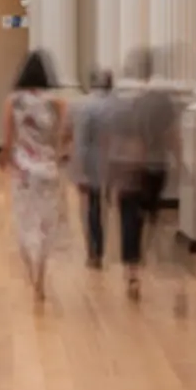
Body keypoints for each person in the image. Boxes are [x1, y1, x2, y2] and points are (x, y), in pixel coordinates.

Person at [109, 46, 184, 304]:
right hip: (158, 167)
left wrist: (120, 170)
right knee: (153, 216)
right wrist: (181, 162)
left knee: (130, 219)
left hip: (135, 167)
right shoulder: (165, 102)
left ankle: (133, 270)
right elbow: (173, 135)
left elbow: (125, 138)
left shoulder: (131, 102)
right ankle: (153, 257)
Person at [0, 49, 70, 301]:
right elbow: (65, 138)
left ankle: (31, 270)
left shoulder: (13, 101)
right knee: (47, 221)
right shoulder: (58, 102)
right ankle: (41, 269)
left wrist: (4, 160)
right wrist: (57, 154)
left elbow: (8, 140)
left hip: (24, 168)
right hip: (48, 168)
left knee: (24, 219)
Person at [70, 68, 118, 268]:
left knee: (90, 208)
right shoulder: (117, 106)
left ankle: (93, 251)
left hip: (89, 162)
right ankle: (101, 248)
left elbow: (80, 141)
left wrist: (78, 169)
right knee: (105, 209)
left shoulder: (83, 105)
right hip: (111, 161)